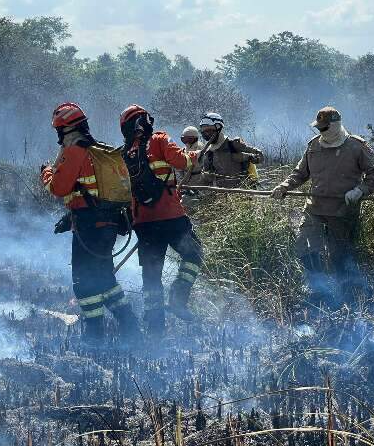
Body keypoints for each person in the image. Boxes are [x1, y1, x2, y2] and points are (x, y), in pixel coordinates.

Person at [41, 102, 140, 343]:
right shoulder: (100, 150)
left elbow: (59, 187)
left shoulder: (75, 150)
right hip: (108, 225)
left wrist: (46, 173)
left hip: (89, 227)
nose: (58, 136)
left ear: (66, 129)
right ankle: (131, 328)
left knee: (84, 284)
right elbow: (89, 191)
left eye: (59, 130)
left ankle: (94, 336)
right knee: (105, 279)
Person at [270, 106, 374, 307]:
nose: (320, 131)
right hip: (314, 209)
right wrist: (284, 186)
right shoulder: (313, 146)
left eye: (324, 127)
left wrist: (360, 191)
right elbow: (300, 173)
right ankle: (319, 289)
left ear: (335, 125)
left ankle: (348, 297)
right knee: (305, 248)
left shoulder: (356, 146)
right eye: (318, 127)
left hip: (342, 212)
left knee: (340, 256)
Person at [120, 104, 203, 338]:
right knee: (194, 254)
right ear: (146, 121)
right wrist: (194, 155)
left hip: (144, 223)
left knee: (151, 273)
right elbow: (183, 162)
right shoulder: (159, 139)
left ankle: (155, 326)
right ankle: (178, 297)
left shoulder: (124, 153)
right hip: (171, 217)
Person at [198, 112, 263, 187]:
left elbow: (260, 156)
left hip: (243, 193)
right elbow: (206, 179)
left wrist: (247, 157)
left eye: (209, 130)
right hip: (220, 196)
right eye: (203, 130)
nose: (206, 133)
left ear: (219, 127)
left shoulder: (233, 144)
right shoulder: (208, 153)